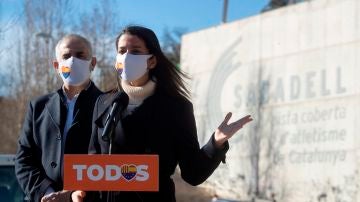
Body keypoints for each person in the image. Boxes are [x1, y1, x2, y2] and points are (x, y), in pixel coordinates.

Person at [88, 25, 253, 202]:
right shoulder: (103, 102)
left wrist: (216, 142)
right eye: (121, 51)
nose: (126, 57)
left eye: (135, 51)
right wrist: (78, 191)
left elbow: (193, 173)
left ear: (152, 61)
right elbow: (92, 161)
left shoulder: (175, 107)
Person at [15, 34, 103, 202]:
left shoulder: (108, 106)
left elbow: (109, 162)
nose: (73, 61)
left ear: (93, 63)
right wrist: (47, 192)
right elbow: (24, 160)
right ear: (57, 65)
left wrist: (74, 194)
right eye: (66, 56)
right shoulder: (38, 107)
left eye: (80, 55)